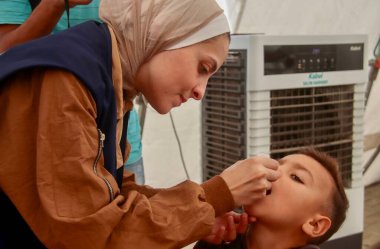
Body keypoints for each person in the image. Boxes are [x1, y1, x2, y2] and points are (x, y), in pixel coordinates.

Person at [0, 0, 282, 248]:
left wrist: (198, 215)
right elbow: (87, 234)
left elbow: (114, 193)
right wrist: (217, 194)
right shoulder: (68, 79)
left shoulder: (111, 82)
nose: (200, 92)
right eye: (203, 68)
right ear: (164, 28)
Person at [0, 0, 146, 185]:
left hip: (120, 145)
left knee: (134, 210)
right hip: (44, 147)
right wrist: (55, 4)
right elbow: (4, 55)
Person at [194, 147, 349, 249]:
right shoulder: (220, 241)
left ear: (315, 225)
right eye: (276, 165)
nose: (271, 172)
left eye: (296, 177)